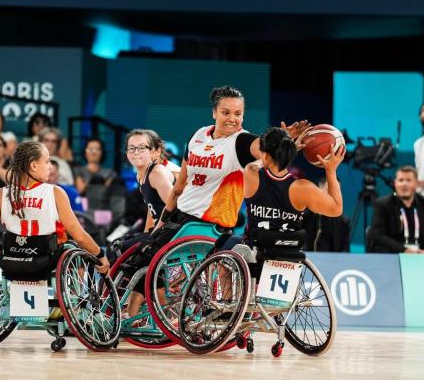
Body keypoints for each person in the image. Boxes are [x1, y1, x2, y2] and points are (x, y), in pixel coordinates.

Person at [125, 86, 309, 314]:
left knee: (142, 255)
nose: (233, 119)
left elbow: (262, 146)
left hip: (206, 226)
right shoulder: (198, 136)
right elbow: (179, 187)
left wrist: (282, 142)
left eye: (238, 113)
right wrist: (161, 224)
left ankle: (137, 312)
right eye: (226, 112)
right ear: (214, 112)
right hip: (179, 219)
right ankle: (140, 311)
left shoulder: (240, 142)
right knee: (134, 249)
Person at [0, 141, 109, 276]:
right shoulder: (55, 193)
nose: (50, 167)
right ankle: (72, 296)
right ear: (33, 165)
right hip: (46, 261)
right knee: (73, 250)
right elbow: (79, 236)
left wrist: (2, 249)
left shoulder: (0, 195)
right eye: (47, 161)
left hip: (12, 261)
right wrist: (100, 254)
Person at [121, 129, 175, 317]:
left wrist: (155, 233)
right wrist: (147, 233)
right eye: (131, 148)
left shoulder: (157, 172)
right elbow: (153, 210)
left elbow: (173, 206)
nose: (136, 152)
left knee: (137, 253)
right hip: (162, 229)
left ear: (153, 152)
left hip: (176, 227)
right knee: (127, 245)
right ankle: (132, 313)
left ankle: (143, 311)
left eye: (141, 147)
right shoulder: (140, 175)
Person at [367, 166, 424, 254]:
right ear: (395, 183)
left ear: (416, 183)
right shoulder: (382, 205)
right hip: (393, 256)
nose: (404, 184)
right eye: (401, 180)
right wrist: (404, 250)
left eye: (408, 180)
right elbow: (377, 235)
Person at [302, 177, 351, 252]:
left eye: (337, 191)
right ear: (319, 189)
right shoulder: (305, 217)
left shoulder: (343, 221)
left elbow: (345, 251)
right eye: (329, 190)